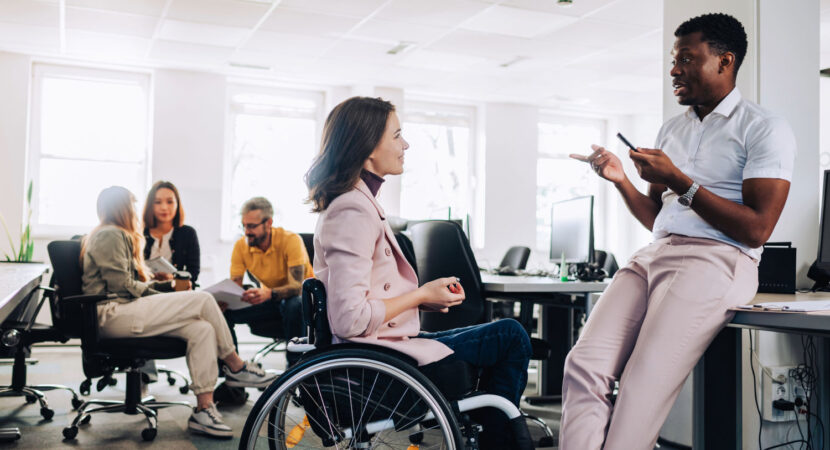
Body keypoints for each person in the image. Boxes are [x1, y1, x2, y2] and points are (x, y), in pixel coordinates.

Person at [560, 13, 795, 449]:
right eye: (673, 59)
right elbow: (658, 216)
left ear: (725, 61)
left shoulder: (764, 128)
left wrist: (681, 180)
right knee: (584, 365)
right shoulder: (672, 129)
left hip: (717, 259)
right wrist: (621, 179)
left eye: (687, 59)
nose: (674, 70)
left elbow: (757, 229)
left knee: (641, 387)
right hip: (654, 254)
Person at [305, 96, 532, 449]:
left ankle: (487, 431)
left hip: (381, 351)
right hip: (378, 363)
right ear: (368, 147)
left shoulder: (357, 202)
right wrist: (420, 294)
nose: (405, 144)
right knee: (511, 336)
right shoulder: (352, 209)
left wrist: (423, 302)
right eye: (397, 135)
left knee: (503, 336)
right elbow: (349, 319)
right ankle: (494, 437)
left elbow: (364, 298)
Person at [81, 186, 278, 438]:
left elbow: (128, 284)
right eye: (132, 204)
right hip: (112, 314)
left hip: (124, 310)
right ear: (122, 208)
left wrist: (168, 287)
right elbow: (123, 286)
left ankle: (204, 409)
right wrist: (168, 294)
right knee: (203, 300)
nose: (135, 210)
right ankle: (236, 366)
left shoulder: (115, 234)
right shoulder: (110, 234)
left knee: (201, 329)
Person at [227, 197, 312, 360]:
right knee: (224, 312)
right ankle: (234, 370)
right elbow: (235, 286)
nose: (246, 232)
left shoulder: (290, 240)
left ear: (269, 223)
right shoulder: (241, 246)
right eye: (244, 225)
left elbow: (298, 287)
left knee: (294, 303)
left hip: (304, 301)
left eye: (252, 226)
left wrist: (268, 294)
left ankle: (295, 368)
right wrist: (228, 299)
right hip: (272, 300)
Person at [142, 180, 201, 283]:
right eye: (157, 202)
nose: (164, 207)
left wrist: (172, 277)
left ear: (177, 204)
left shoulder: (188, 233)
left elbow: (193, 273)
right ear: (151, 205)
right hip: (146, 291)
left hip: (175, 291)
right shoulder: (140, 234)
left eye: (170, 202)